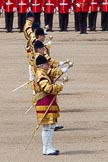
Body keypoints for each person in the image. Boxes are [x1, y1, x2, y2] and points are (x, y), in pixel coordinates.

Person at [34, 55, 67, 155]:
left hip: (48, 101)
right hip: (44, 102)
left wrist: (63, 70)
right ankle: (46, 148)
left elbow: (51, 72)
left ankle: (48, 146)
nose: (48, 66)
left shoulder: (43, 71)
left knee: (51, 125)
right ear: (43, 65)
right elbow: (47, 88)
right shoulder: (41, 74)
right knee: (47, 126)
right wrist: (59, 86)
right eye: (47, 64)